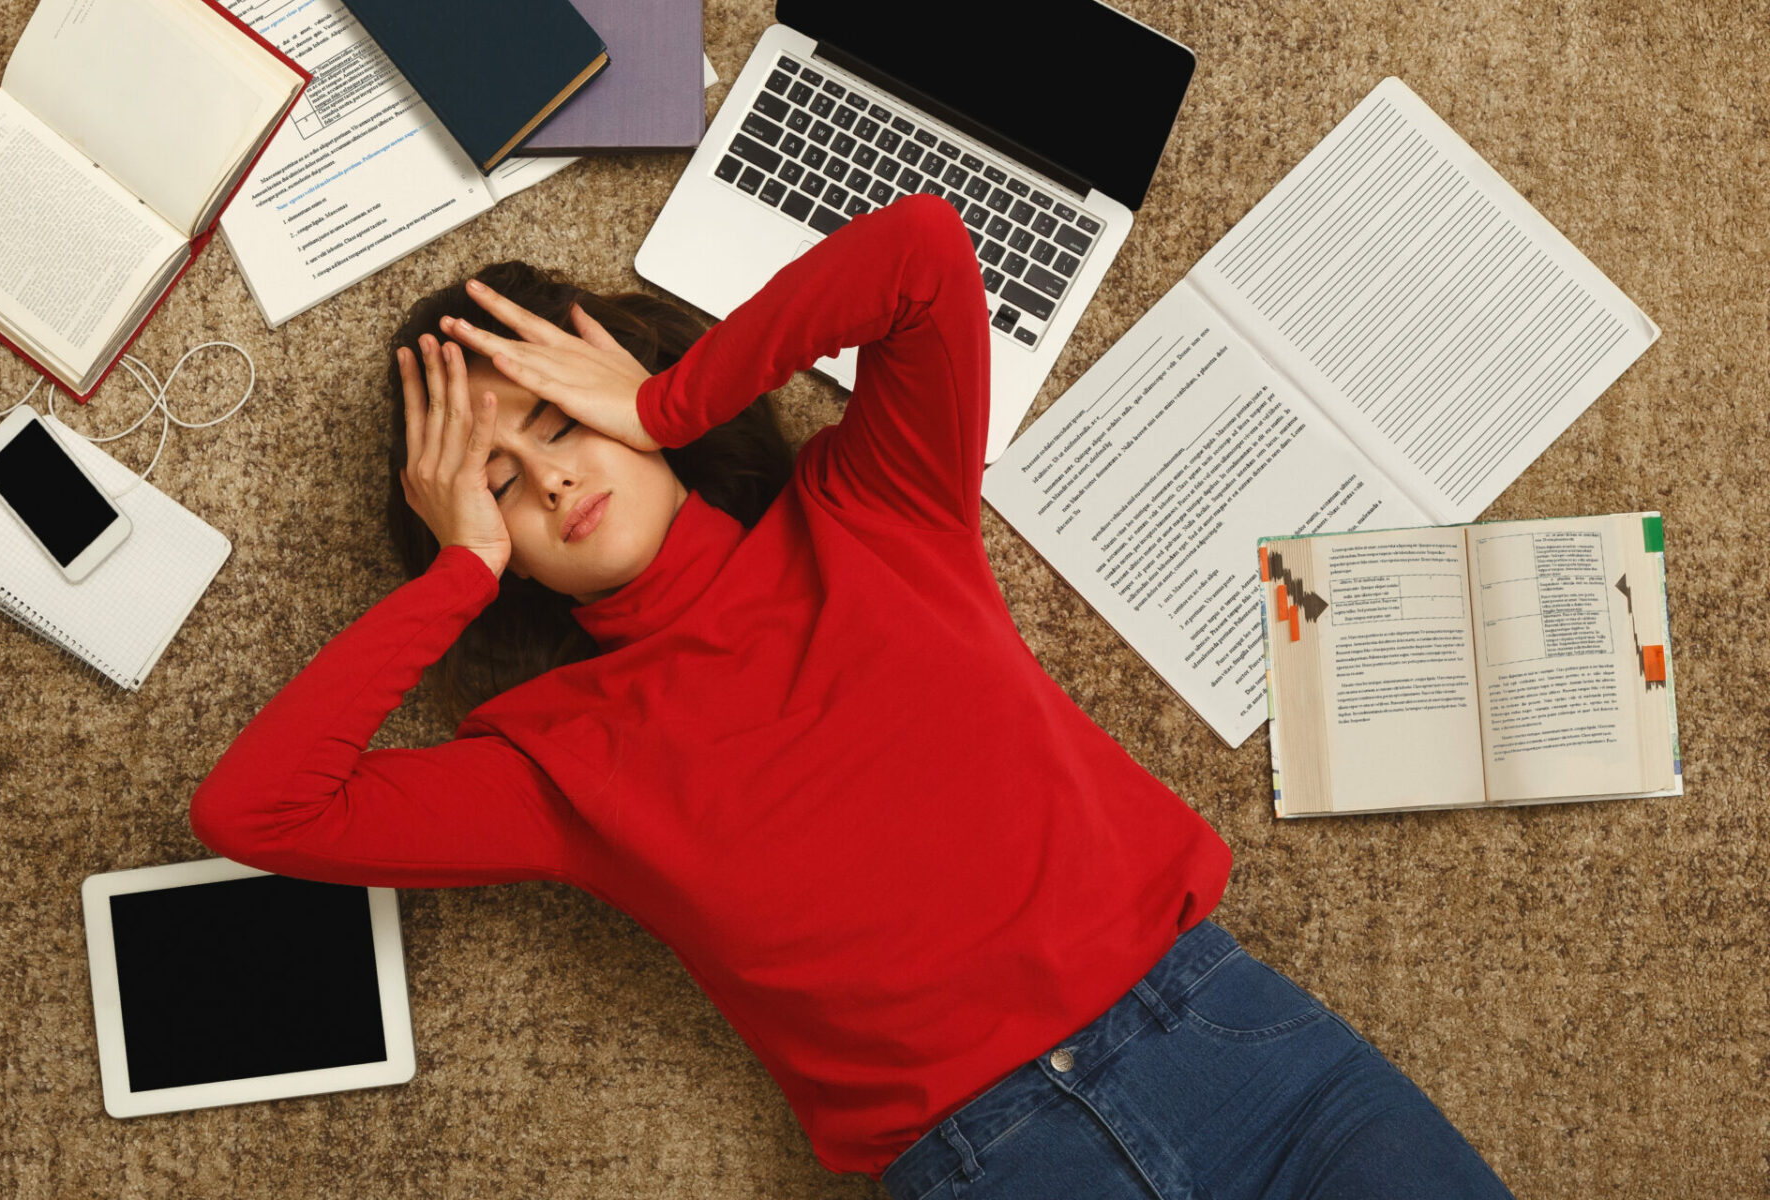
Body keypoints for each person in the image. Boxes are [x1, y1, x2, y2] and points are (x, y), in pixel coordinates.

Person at [188, 195, 1515, 1200]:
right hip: (996, 1161)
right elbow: (261, 808)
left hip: (1240, 1047)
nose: (543, 483)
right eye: (492, 484)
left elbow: (924, 251)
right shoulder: (547, 762)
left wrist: (667, 395)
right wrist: (454, 572)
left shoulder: (869, 505)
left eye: (556, 421)